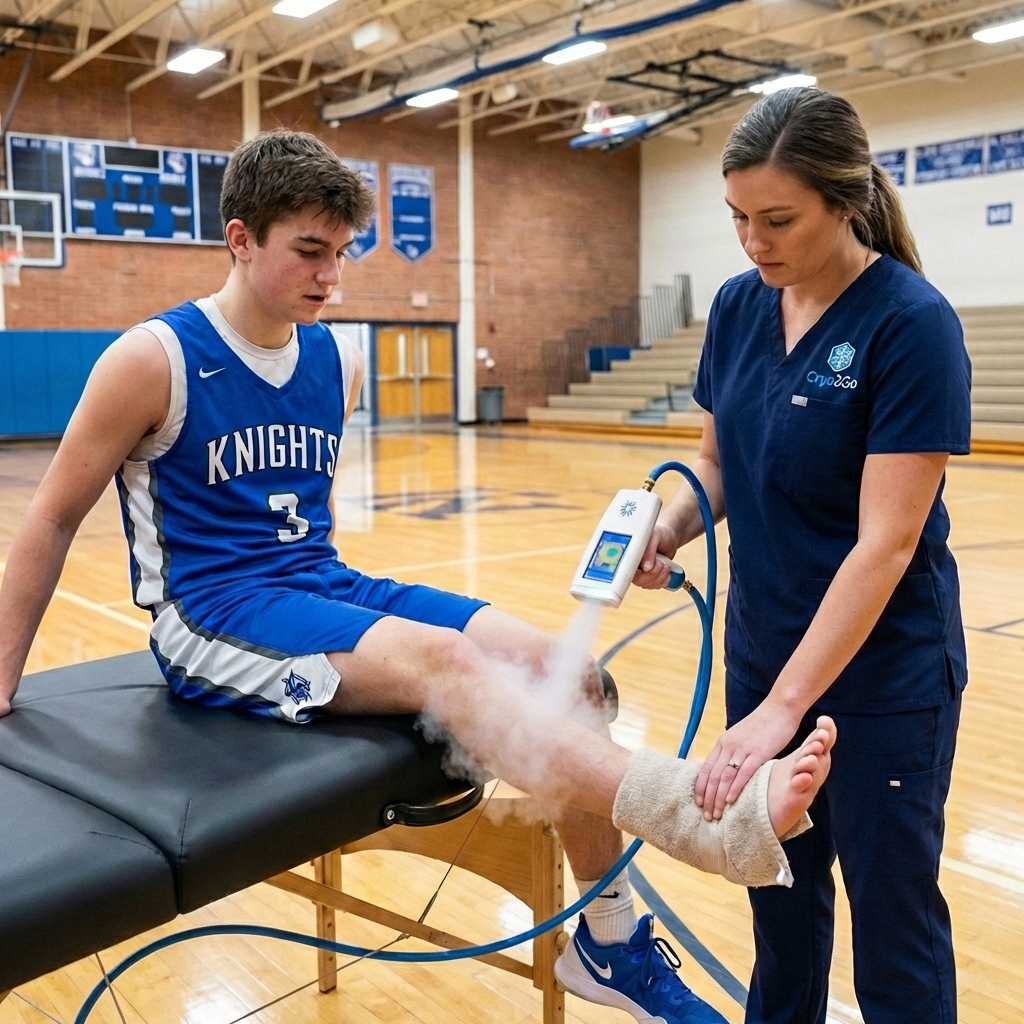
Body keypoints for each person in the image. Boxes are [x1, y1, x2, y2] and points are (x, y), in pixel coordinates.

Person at [0, 130, 835, 1024]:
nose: (330, 277)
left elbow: (307, 538)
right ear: (240, 239)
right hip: (211, 617)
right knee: (447, 661)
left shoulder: (337, 358)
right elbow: (50, 516)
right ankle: (698, 819)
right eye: (308, 252)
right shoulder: (152, 359)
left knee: (574, 674)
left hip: (321, 585)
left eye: (341, 254)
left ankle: (607, 937)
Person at [635, 88, 970, 1024]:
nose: (753, 243)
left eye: (777, 220)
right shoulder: (740, 308)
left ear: (846, 202)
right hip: (763, 649)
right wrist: (666, 529)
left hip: (884, 680)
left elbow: (886, 542)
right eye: (738, 219)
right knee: (779, 906)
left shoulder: (911, 325)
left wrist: (780, 713)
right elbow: (715, 463)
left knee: (894, 925)